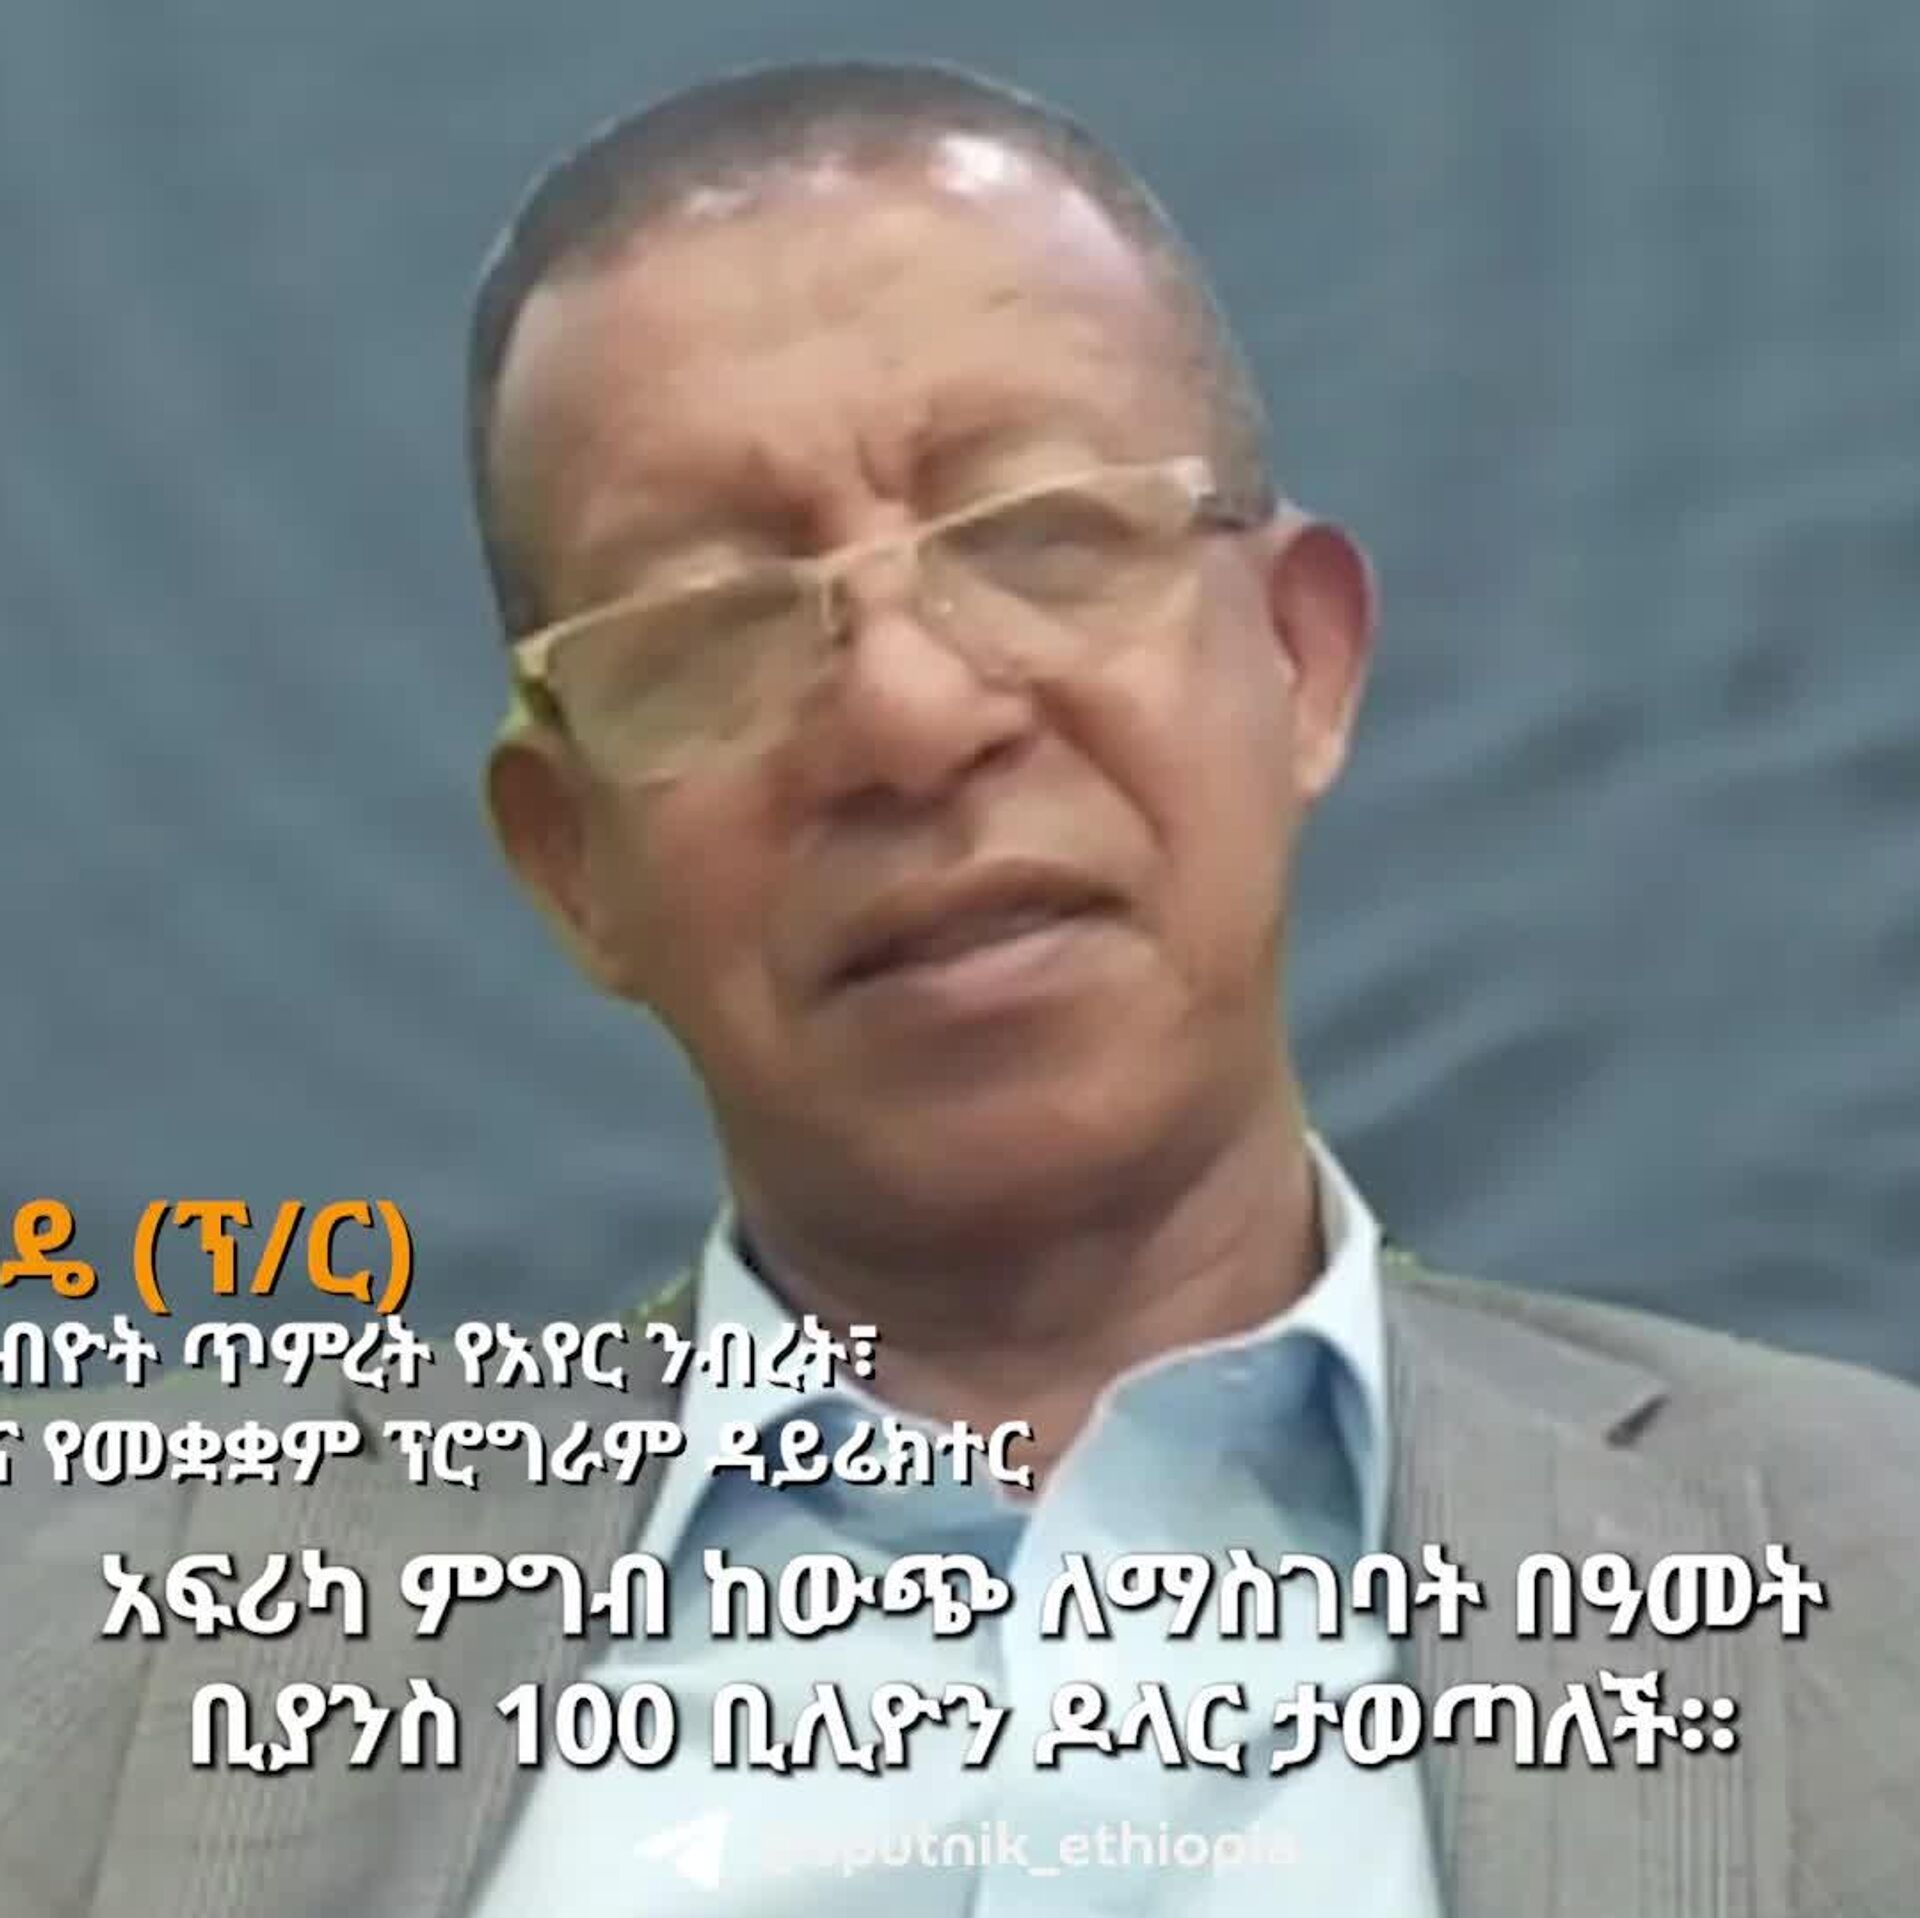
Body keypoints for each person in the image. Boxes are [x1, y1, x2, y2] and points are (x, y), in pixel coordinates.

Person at [3, 57, 1917, 1918]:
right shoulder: (92, 1652)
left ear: (1301, 663)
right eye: (707, 625)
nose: (911, 718)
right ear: (571, 862)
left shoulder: (1867, 1579)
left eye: (1036, 535)